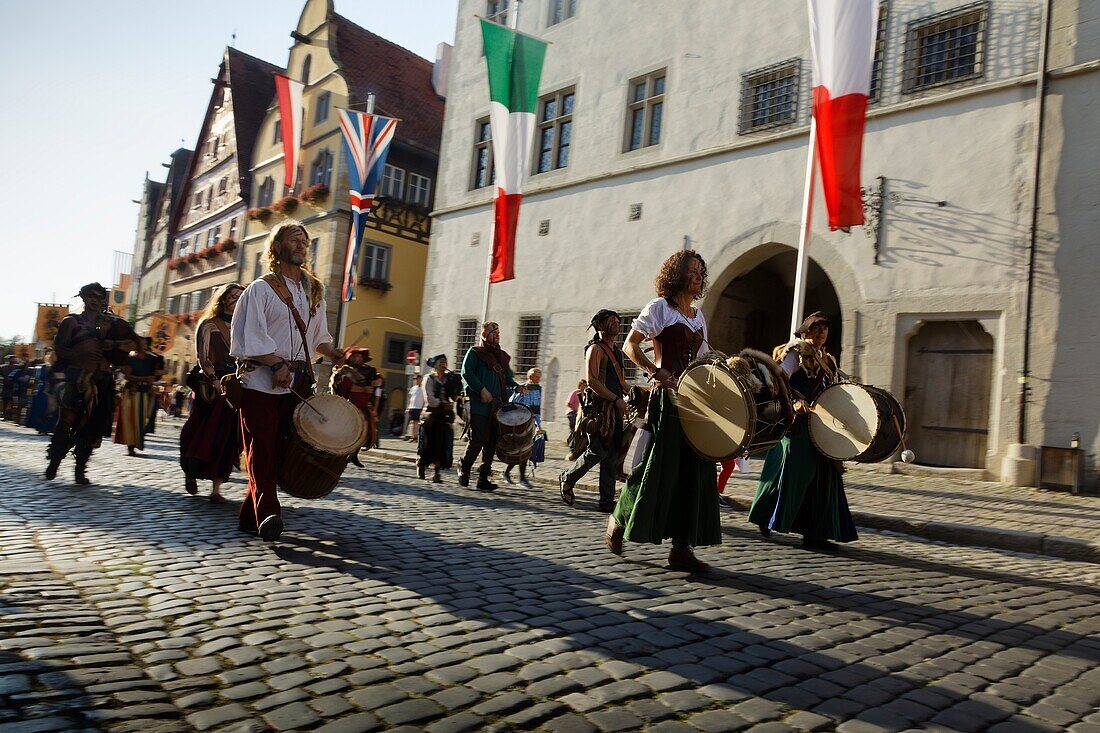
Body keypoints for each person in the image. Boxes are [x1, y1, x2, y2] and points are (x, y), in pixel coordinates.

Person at [605, 251, 721, 572]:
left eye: (701, 271)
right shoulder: (659, 309)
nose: (698, 276)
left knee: (694, 470)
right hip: (664, 399)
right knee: (657, 466)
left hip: (692, 401)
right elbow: (630, 345)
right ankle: (619, 517)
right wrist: (656, 373)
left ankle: (681, 549)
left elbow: (702, 358)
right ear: (677, 274)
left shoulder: (698, 316)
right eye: (692, 271)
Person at [230, 221, 344, 541]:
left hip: (296, 384)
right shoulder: (261, 289)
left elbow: (317, 338)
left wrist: (332, 351)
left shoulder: (312, 290)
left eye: (305, 241)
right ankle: (269, 514)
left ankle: (249, 514)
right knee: (263, 448)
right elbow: (250, 336)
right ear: (276, 246)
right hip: (260, 384)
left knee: (281, 451)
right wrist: (275, 362)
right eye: (294, 240)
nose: (301, 245)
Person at [748, 312, 857, 549]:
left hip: (822, 427)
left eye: (825, 328)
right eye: (815, 327)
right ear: (805, 331)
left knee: (826, 477)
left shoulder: (827, 360)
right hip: (797, 425)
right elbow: (778, 380)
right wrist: (795, 401)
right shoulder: (796, 351)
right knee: (796, 472)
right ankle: (766, 516)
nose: (821, 332)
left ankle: (816, 533)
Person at [46, 282, 140, 484]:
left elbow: (137, 343)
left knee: (93, 427)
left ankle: (80, 470)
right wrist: (79, 357)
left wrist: (113, 344)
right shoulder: (72, 322)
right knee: (66, 422)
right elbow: (60, 348)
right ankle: (54, 460)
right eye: (91, 296)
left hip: (102, 380)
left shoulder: (114, 324)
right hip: (76, 379)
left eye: (99, 297)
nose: (95, 300)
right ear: (83, 298)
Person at [179, 283, 244, 503]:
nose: (236, 299)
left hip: (235, 387)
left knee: (226, 437)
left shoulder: (245, 327)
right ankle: (190, 471)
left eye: (240, 297)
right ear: (223, 299)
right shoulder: (209, 325)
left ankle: (216, 489)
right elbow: (204, 358)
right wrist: (216, 382)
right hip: (210, 386)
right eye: (233, 296)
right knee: (200, 430)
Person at [561, 310, 628, 513]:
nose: (617, 323)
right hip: (598, 410)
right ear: (600, 326)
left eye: (618, 320)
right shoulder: (595, 349)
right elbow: (592, 382)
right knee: (597, 451)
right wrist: (615, 399)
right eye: (611, 321)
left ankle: (606, 502)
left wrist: (635, 394)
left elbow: (622, 382)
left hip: (614, 409)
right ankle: (567, 478)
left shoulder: (616, 350)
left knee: (611, 455)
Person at [459, 321, 523, 491]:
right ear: (484, 334)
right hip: (479, 404)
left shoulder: (502, 356)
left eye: (498, 332)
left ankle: (483, 478)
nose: (496, 334)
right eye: (493, 332)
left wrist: (517, 386)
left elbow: (507, 378)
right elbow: (466, 373)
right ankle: (464, 469)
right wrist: (481, 389)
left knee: (492, 442)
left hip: (497, 406)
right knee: (477, 439)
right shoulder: (474, 353)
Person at [331, 347, 380, 467]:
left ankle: (354, 455)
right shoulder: (344, 370)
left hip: (363, 406)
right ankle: (338, 456)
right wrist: (363, 388)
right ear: (350, 357)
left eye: (359, 357)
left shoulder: (367, 371)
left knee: (363, 432)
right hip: (348, 406)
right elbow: (345, 387)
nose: (358, 359)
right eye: (355, 356)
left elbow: (377, 383)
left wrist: (375, 383)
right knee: (346, 433)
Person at [416, 355, 462, 482]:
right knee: (428, 443)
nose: (443, 364)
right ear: (435, 364)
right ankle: (421, 465)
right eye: (441, 362)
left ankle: (437, 473)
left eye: (445, 362)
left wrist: (457, 387)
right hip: (431, 414)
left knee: (443, 445)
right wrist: (441, 403)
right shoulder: (429, 378)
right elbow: (429, 398)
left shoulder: (448, 379)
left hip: (445, 415)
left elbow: (454, 397)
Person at [114, 338, 158, 456]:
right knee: (131, 419)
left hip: (145, 392)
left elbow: (154, 375)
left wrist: (150, 384)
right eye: (141, 343)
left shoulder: (151, 359)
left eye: (145, 343)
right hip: (132, 392)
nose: (143, 345)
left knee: (142, 420)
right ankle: (130, 446)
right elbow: (127, 376)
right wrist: (144, 379)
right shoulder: (131, 359)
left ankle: (137, 443)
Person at [503, 367, 543, 488]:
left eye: (539, 377)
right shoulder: (522, 387)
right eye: (536, 377)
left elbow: (537, 408)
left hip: (530, 423)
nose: (538, 379)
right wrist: (520, 393)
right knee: (521, 450)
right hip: (520, 422)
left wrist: (538, 425)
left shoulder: (538, 390)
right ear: (530, 377)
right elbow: (512, 402)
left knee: (524, 451)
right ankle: (518, 477)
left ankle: (513, 475)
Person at [25, 350, 58, 434]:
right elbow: (39, 378)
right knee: (42, 409)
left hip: (55, 389)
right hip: (44, 389)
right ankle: (42, 427)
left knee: (53, 410)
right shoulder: (43, 367)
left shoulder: (58, 367)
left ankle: (50, 427)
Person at [404, 375, 425, 442]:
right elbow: (410, 398)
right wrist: (408, 407)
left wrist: (423, 408)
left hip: (419, 407)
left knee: (417, 422)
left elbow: (425, 399)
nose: (416, 380)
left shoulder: (423, 388)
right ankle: (412, 436)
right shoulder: (413, 388)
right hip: (412, 407)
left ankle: (416, 437)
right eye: (415, 379)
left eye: (418, 379)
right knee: (412, 422)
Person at [0, 355, 20, 421]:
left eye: (14, 359)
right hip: (6, 387)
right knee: (5, 401)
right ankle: (5, 415)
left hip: (14, 388)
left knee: (13, 402)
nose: (12, 361)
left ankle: (11, 416)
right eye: (11, 359)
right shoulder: (3, 368)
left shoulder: (17, 368)